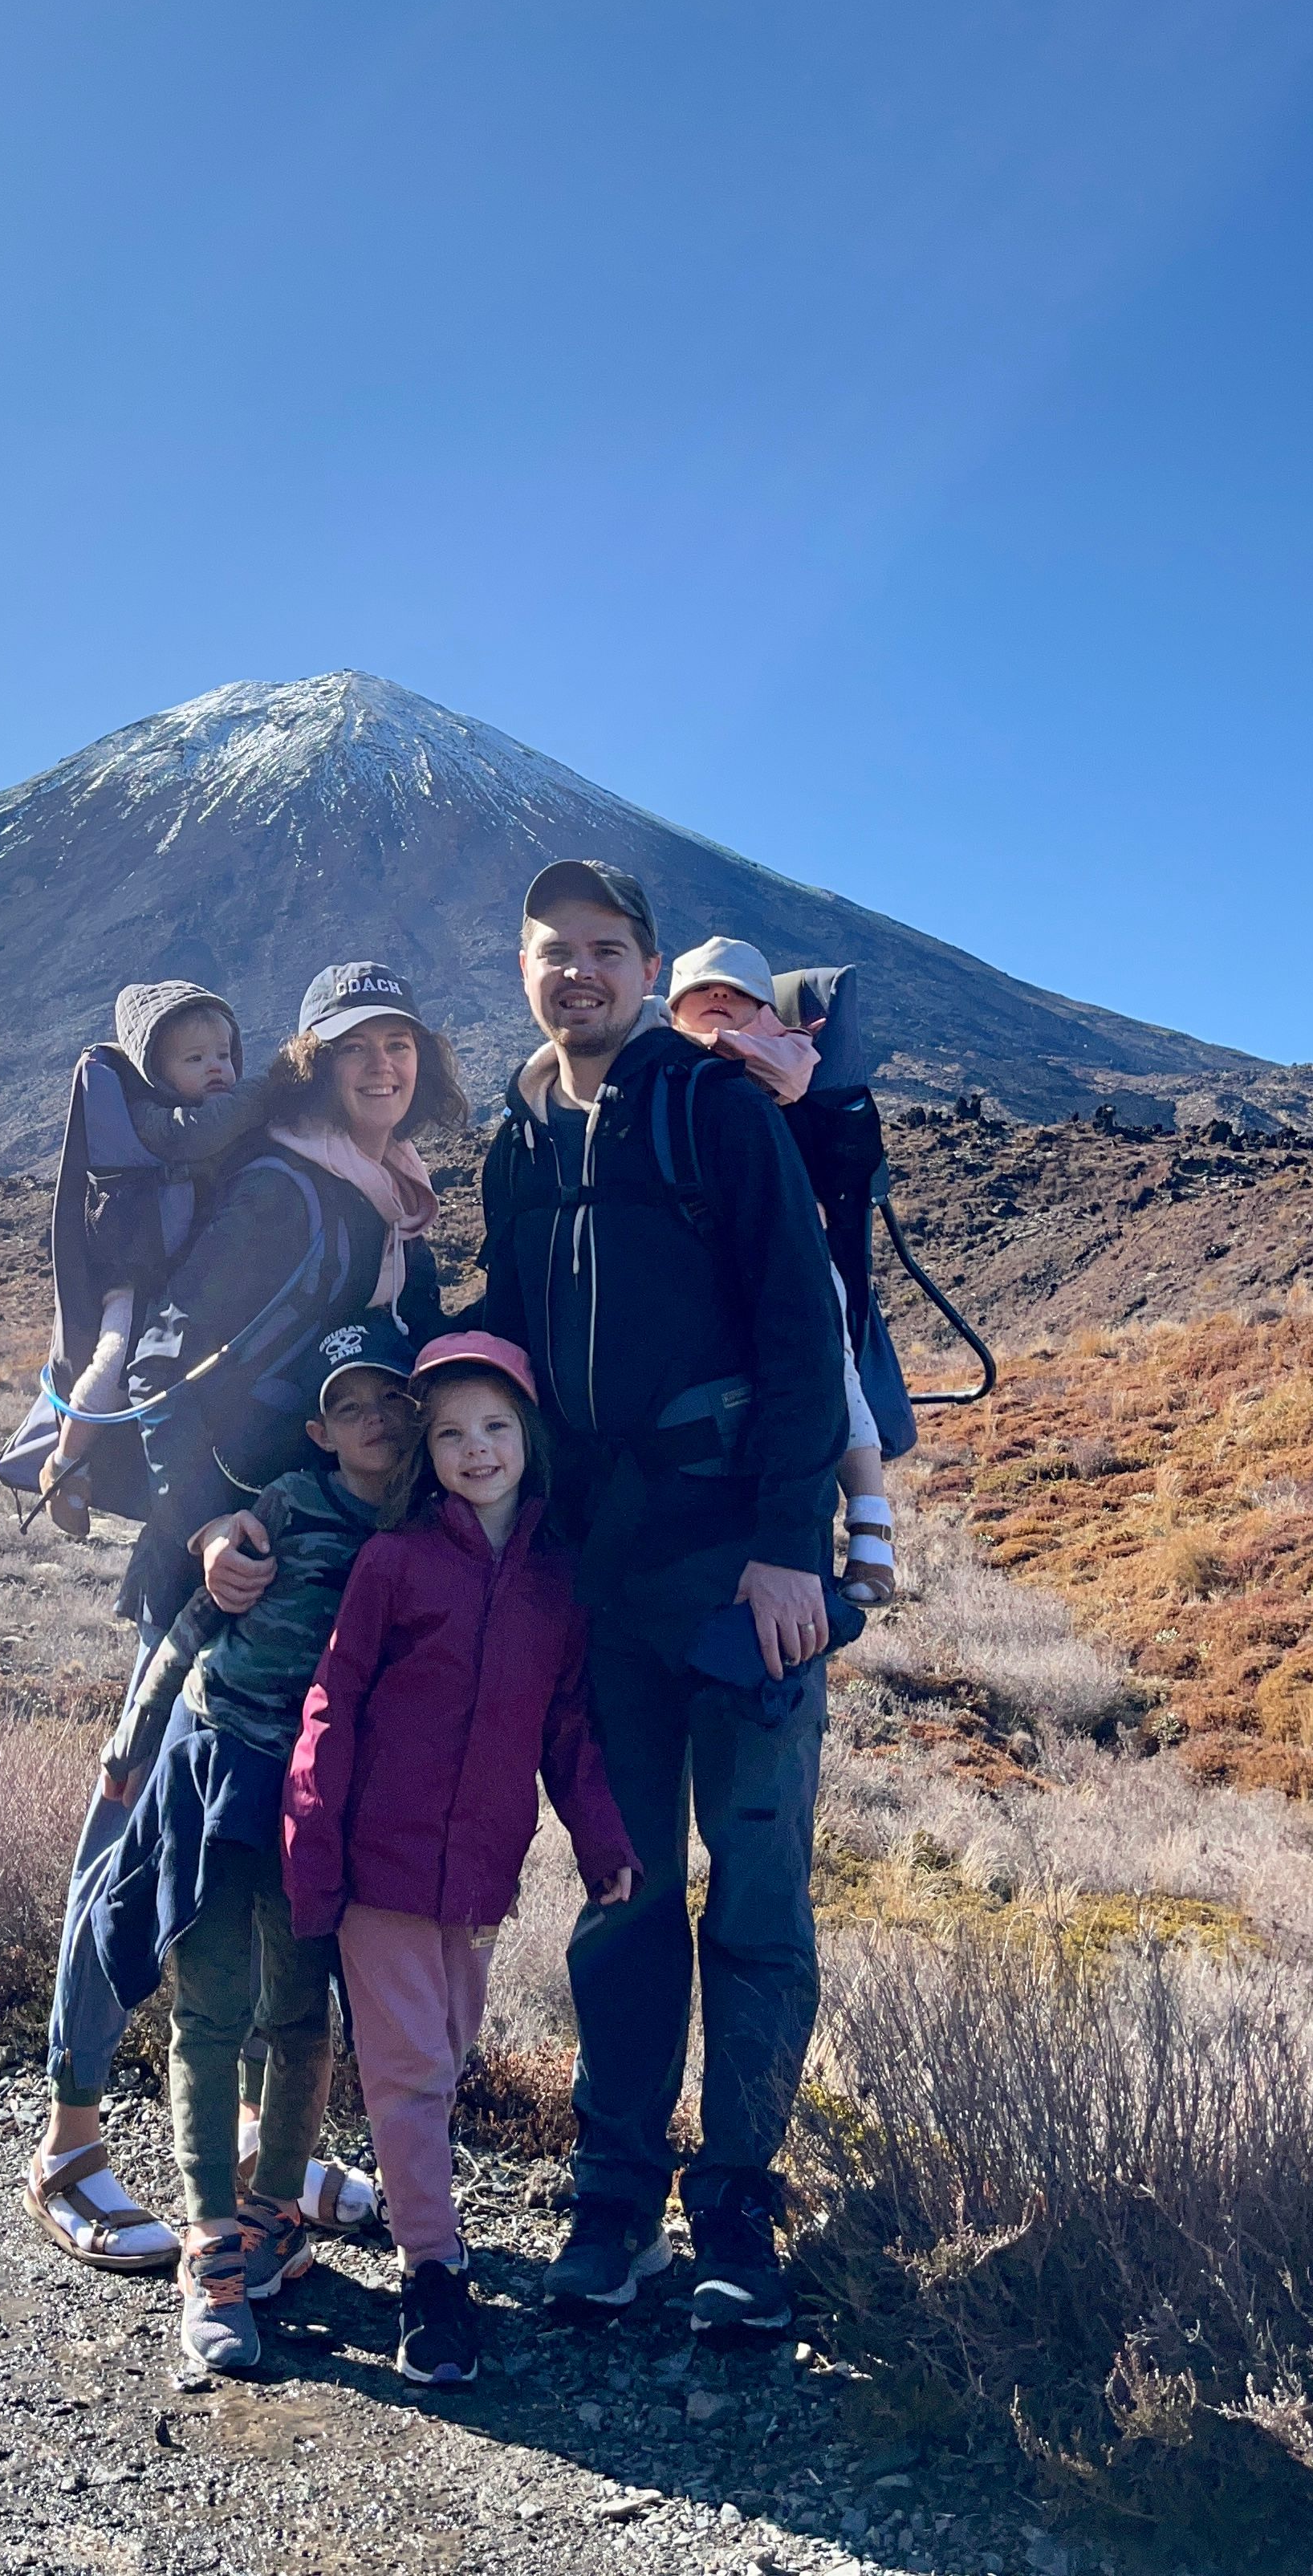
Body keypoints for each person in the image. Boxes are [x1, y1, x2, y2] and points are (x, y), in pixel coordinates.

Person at [24, 960, 465, 2274]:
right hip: (221, 1568)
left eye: (399, 1043)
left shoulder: (384, 1202)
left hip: (310, 1585)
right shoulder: (283, 1187)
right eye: (355, 1047)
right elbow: (165, 1357)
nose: (381, 1064)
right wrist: (208, 1520)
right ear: (313, 1061)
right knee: (140, 1838)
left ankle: (280, 2157)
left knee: (282, 1870)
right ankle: (66, 2144)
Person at [478, 863, 852, 2332]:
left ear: (643, 970)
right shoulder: (515, 1138)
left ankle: (739, 2211)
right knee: (623, 1890)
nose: (577, 974)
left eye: (604, 951)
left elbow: (795, 1328)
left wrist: (785, 1545)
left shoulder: (711, 1111)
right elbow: (499, 1341)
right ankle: (613, 2195)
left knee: (753, 1898)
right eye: (551, 952)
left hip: (737, 1573)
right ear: (523, 971)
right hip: (597, 1582)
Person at [284, 1333, 636, 2389]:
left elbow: (569, 1727)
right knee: (412, 2074)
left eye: (494, 1428)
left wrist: (601, 1837)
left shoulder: (555, 1581)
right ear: (425, 1452)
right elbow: (333, 1701)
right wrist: (312, 1841)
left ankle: (413, 2212)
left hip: (481, 1872)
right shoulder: (395, 1564)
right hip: (381, 1867)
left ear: (527, 1436)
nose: (475, 1450)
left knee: (443, 2061)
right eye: (449, 1434)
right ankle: (433, 2277)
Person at [88, 1318, 421, 2375]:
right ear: (320, 1432)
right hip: (227, 1771)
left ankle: (277, 2212)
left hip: (331, 1802)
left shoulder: (424, 1530)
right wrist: (137, 1735)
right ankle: (212, 2251)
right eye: (352, 1405)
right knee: (212, 2009)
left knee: (301, 2016)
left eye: (393, 1401)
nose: (377, 1420)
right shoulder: (282, 1512)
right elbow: (192, 1618)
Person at [665, 941, 896, 1606]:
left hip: (788, 1249)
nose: (716, 999)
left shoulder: (784, 1060)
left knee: (829, 1358)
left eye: (734, 993)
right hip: (699, 1257)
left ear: (765, 1008)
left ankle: (871, 1519)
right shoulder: (650, 1072)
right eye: (700, 992)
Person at [36, 981, 254, 1539]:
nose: (217, 1069)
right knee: (115, 1360)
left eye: (225, 1056)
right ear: (156, 1069)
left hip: (185, 1280)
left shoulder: (219, 1116)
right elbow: (197, 1136)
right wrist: (274, 1091)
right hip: (135, 1282)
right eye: (195, 1058)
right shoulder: (152, 1118)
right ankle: (64, 1463)